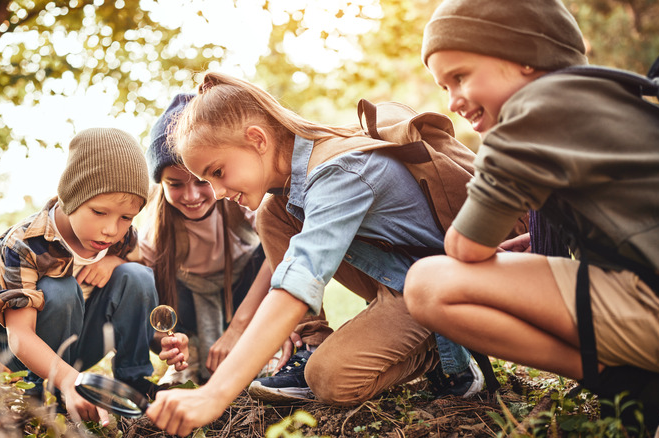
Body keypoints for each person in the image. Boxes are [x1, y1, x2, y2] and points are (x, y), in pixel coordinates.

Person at [144, 72, 491, 436]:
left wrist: (213, 394)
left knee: (330, 378)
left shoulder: (338, 172)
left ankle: (448, 349)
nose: (214, 192)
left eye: (217, 172)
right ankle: (313, 343)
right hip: (402, 279)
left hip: (443, 289)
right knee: (274, 213)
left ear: (257, 139)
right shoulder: (286, 194)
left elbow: (299, 279)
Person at [403, 1, 659, 436]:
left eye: (460, 77)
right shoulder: (604, 95)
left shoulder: (530, 112)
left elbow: (465, 246)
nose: (453, 101)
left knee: (429, 284)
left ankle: (632, 384)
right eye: (443, 86)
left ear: (525, 58)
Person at [0, 128, 161, 425]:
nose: (112, 229)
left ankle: (135, 383)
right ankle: (31, 401)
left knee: (137, 275)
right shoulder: (23, 244)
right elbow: (20, 335)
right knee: (60, 289)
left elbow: (144, 263)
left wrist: (113, 261)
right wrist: (69, 380)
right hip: (22, 356)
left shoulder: (118, 239)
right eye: (99, 212)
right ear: (70, 198)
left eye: (126, 217)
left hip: (75, 349)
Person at [140, 93, 272, 384]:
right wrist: (166, 339)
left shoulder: (239, 200)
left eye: (202, 181)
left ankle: (262, 348)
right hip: (189, 304)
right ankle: (190, 357)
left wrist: (238, 327)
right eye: (175, 184)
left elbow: (285, 252)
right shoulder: (153, 232)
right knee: (141, 276)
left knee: (272, 248)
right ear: (161, 184)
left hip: (241, 297)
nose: (191, 196)